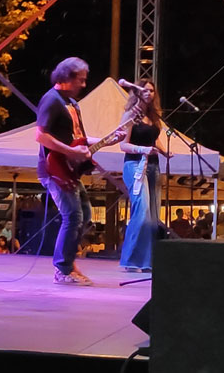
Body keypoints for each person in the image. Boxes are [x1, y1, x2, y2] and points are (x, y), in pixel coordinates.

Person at [36, 57, 125, 285]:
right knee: (73, 216)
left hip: (69, 169)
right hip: (54, 169)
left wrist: (108, 139)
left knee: (84, 216)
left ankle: (67, 263)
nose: (84, 85)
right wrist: (71, 152)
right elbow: (41, 136)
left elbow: (79, 139)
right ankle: (63, 269)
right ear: (67, 78)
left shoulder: (72, 104)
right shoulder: (51, 100)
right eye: (81, 80)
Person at [119, 79, 167, 272]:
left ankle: (148, 261)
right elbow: (123, 144)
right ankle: (131, 260)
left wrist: (164, 151)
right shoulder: (131, 115)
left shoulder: (154, 117)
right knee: (142, 210)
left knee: (153, 215)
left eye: (152, 91)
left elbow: (154, 139)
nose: (149, 93)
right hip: (135, 165)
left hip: (153, 165)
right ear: (137, 92)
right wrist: (142, 149)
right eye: (145, 90)